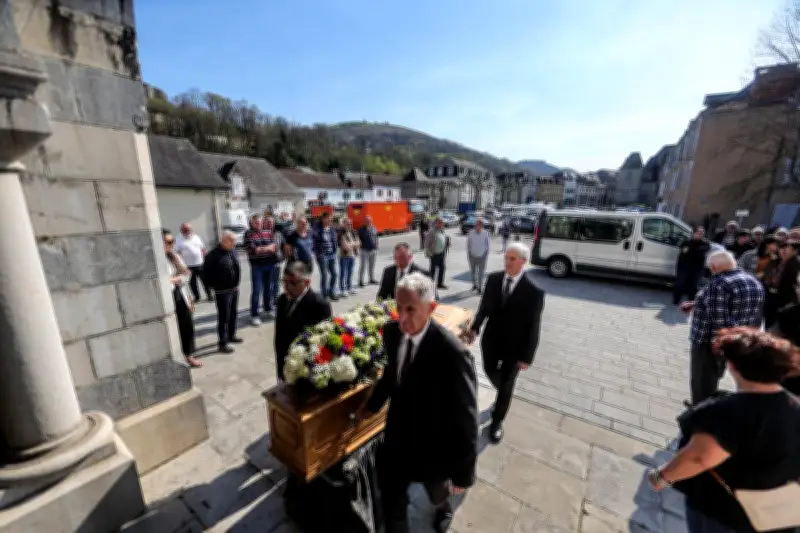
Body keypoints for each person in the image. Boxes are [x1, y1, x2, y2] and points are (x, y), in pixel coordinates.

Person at [648, 328, 800, 533]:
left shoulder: (728, 412)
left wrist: (662, 477)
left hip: (727, 514)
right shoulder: (794, 406)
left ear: (734, 367)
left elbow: (699, 458)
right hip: (777, 514)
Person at [359, 273, 478, 533]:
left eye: (410, 309)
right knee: (392, 502)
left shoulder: (452, 354)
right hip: (396, 437)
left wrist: (463, 474)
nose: (402, 317)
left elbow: (466, 417)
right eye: (398, 307)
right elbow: (392, 373)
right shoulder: (392, 334)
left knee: (435, 489)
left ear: (431, 308)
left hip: (432, 446)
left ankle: (443, 506)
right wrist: (372, 406)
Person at [466, 242, 545, 444]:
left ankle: (497, 421)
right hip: (491, 340)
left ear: (523, 262)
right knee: (491, 371)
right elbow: (484, 307)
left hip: (515, 347)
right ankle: (504, 394)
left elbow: (533, 327)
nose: (507, 262)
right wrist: (475, 327)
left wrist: (527, 357)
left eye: (512, 259)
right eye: (506, 258)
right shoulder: (493, 279)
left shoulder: (534, 292)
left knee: (507, 384)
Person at [680, 251, 764, 406]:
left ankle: (700, 412)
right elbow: (749, 312)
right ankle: (707, 404)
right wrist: (697, 304)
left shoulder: (719, 283)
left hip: (709, 342)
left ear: (713, 267)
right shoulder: (752, 281)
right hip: (737, 340)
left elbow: (721, 321)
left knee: (702, 380)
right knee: (714, 375)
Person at [274, 261, 332, 381]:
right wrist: (280, 369)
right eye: (284, 281)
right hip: (284, 366)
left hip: (306, 372)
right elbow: (279, 336)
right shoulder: (282, 300)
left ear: (307, 282)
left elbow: (322, 343)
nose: (287, 287)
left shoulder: (319, 305)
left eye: (293, 283)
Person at [163, 230, 202, 368]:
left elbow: (187, 273)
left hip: (181, 293)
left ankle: (189, 355)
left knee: (187, 325)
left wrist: (176, 279)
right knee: (174, 328)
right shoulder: (157, 260)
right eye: (168, 242)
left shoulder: (174, 256)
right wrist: (174, 279)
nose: (171, 244)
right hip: (168, 296)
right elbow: (161, 282)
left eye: (172, 241)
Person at [202, 231, 242, 354]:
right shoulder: (212, 255)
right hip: (222, 291)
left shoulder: (232, 251)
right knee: (224, 317)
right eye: (232, 241)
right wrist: (214, 287)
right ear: (224, 241)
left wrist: (236, 284)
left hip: (233, 289)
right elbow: (205, 275)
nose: (234, 244)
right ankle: (222, 343)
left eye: (235, 241)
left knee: (233, 314)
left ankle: (231, 335)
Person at [244, 214, 281, 325]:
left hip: (270, 265)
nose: (258, 224)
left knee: (268, 289)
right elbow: (253, 250)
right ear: (251, 223)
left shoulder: (268, 232)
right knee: (256, 291)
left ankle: (268, 309)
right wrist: (267, 248)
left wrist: (263, 249)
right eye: (256, 222)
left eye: (260, 222)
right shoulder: (248, 234)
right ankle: (254, 315)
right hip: (257, 267)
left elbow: (274, 248)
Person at [763, 241, 800, 332]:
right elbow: (767, 274)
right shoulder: (774, 261)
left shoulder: (797, 264)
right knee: (768, 323)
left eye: (786, 250)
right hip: (771, 297)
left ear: (794, 251)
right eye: (781, 250)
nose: (783, 252)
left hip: (787, 300)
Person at [175, 223, 213, 302]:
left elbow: (203, 248)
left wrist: (206, 258)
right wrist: (180, 265)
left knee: (205, 281)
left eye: (189, 229)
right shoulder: (178, 239)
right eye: (186, 230)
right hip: (187, 266)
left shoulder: (196, 237)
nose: (188, 231)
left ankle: (210, 296)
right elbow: (177, 253)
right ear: (182, 231)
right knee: (192, 283)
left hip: (200, 263)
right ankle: (197, 297)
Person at [674, 227, 710, 305]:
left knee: (693, 285)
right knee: (680, 283)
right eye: (698, 233)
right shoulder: (686, 242)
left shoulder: (705, 244)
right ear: (693, 233)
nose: (700, 235)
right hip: (684, 266)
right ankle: (676, 300)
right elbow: (683, 251)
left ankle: (691, 302)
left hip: (697, 268)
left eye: (701, 233)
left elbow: (703, 251)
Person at [313, 211, 339, 300]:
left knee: (334, 274)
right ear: (323, 219)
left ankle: (332, 292)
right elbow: (313, 241)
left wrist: (335, 251)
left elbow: (334, 241)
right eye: (329, 218)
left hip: (332, 254)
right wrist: (317, 253)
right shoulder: (317, 229)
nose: (330, 220)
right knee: (324, 275)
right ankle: (324, 295)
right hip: (322, 255)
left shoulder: (331, 228)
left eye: (331, 219)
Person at [424, 217, 450, 290]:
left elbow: (444, 239)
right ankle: (430, 285)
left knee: (442, 268)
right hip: (434, 254)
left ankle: (440, 284)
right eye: (440, 222)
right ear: (436, 223)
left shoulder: (442, 231)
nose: (441, 224)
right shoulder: (431, 232)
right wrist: (429, 254)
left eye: (442, 222)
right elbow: (426, 244)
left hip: (441, 253)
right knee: (433, 270)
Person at [466, 218, 491, 294]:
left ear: (482, 226)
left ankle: (480, 288)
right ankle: (474, 285)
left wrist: (486, 253)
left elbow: (488, 244)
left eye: (479, 225)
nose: (476, 226)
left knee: (481, 273)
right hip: (472, 256)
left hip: (482, 256)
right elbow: (468, 243)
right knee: (473, 271)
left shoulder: (485, 233)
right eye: (476, 224)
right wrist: (469, 252)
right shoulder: (471, 232)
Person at [338, 218, 359, 296]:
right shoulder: (341, 234)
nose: (349, 225)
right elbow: (345, 246)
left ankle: (349, 287)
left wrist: (351, 244)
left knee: (350, 273)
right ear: (344, 224)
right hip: (344, 256)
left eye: (350, 223)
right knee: (343, 273)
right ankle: (342, 289)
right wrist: (354, 244)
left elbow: (359, 243)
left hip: (352, 256)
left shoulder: (353, 232)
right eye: (347, 224)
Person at [357, 215, 379, 287]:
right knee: (363, 266)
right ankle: (360, 281)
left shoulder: (373, 228)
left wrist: (377, 245)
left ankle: (371, 279)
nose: (368, 222)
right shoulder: (361, 229)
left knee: (372, 266)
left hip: (373, 250)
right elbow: (358, 239)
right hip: (364, 250)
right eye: (367, 221)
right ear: (364, 222)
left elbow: (376, 237)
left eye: (369, 221)